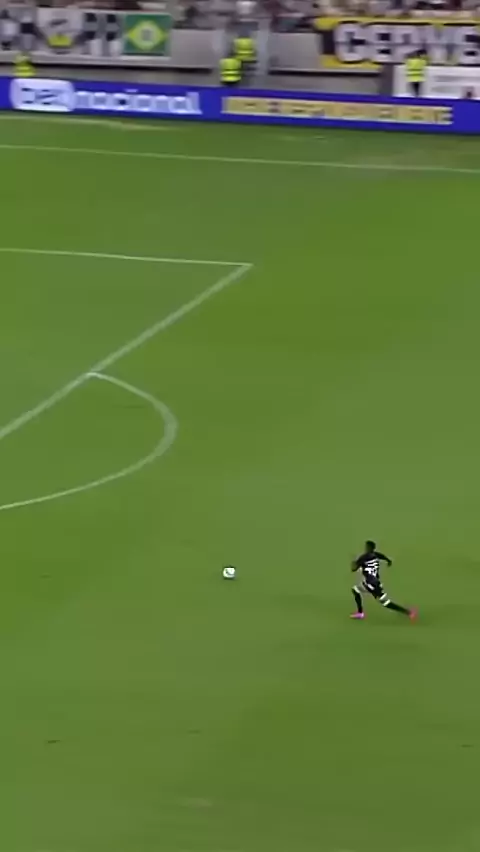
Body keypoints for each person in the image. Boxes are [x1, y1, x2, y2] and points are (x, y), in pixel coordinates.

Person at [350, 540, 417, 621]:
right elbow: (382, 556)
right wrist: (388, 560)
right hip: (374, 582)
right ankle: (360, 613)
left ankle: (409, 613)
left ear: (367, 547)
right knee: (355, 589)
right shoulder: (375, 554)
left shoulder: (363, 558)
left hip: (371, 584)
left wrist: (353, 563)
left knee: (386, 603)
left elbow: (353, 569)